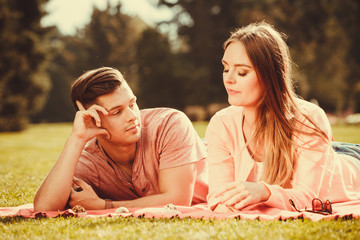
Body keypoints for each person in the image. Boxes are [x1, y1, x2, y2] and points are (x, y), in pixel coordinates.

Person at [205, 21, 360, 213]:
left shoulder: (309, 118)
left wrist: (264, 191)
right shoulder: (221, 124)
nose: (229, 79)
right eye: (226, 68)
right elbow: (218, 197)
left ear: (270, 75)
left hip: (350, 162)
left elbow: (308, 198)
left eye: (242, 72)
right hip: (322, 150)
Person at [34, 67, 208, 212]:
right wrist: (77, 139)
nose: (133, 116)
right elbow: (44, 208)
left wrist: (105, 206)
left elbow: (177, 200)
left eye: (132, 104)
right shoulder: (89, 160)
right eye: (117, 112)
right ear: (94, 119)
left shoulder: (170, 124)